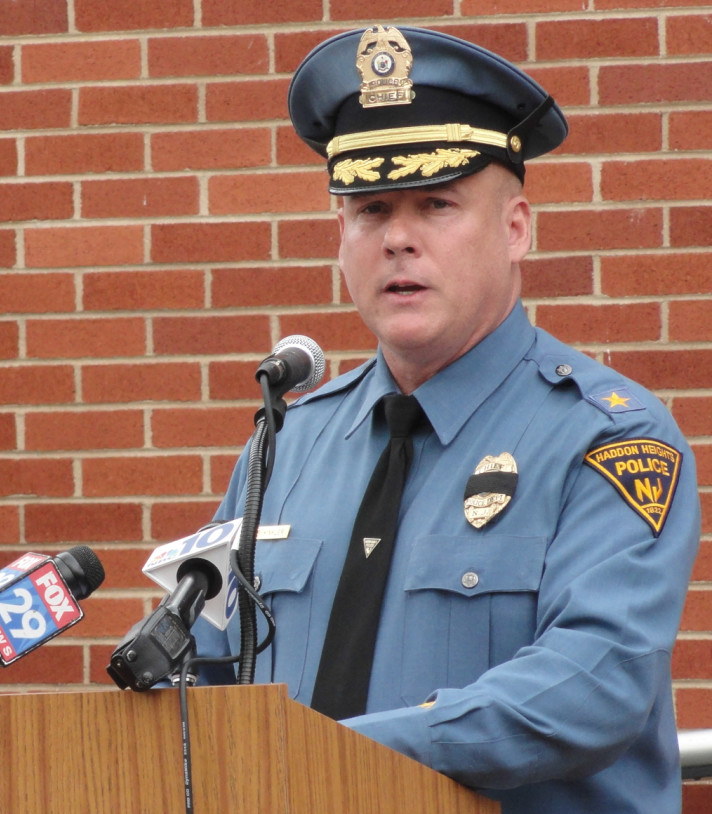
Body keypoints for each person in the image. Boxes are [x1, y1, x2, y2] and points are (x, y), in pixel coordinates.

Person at [191, 24, 701, 813]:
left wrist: (331, 760)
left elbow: (593, 685)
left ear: (515, 229)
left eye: (436, 204)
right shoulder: (286, 444)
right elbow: (206, 665)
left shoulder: (607, 438)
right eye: (370, 210)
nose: (398, 238)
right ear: (340, 237)